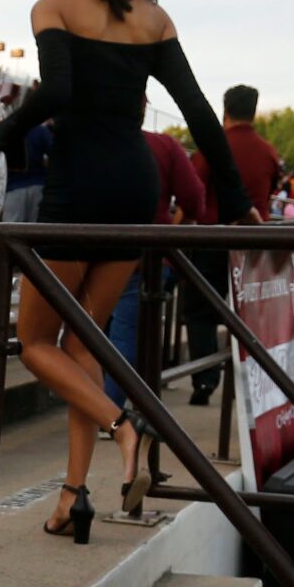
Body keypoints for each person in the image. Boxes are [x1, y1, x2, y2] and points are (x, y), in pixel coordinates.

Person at [0, 0, 257, 543]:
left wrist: (8, 130)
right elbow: (198, 111)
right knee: (82, 344)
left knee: (33, 344)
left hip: (77, 185)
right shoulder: (153, 18)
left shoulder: (53, 5)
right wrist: (233, 198)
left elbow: (56, 91)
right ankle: (71, 497)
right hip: (136, 189)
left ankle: (122, 428)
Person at [180, 83, 283, 403]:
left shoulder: (213, 145)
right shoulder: (268, 151)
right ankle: (255, 383)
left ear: (224, 111)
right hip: (254, 239)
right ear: (253, 110)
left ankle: (205, 382)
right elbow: (273, 188)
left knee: (200, 311)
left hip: (214, 237)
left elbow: (193, 190)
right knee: (250, 312)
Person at [101, 129, 202, 413]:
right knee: (125, 334)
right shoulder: (163, 145)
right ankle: (108, 412)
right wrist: (171, 232)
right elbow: (193, 198)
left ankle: (102, 409)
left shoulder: (93, 136)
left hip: (91, 247)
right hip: (144, 255)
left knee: (88, 335)